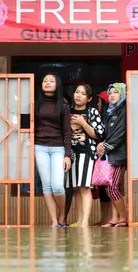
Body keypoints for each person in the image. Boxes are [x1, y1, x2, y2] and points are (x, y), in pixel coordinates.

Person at [34, 73, 72, 228]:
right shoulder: (35, 103)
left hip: (58, 148)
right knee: (46, 186)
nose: (47, 83)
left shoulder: (63, 105)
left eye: (51, 81)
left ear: (57, 85)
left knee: (57, 185)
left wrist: (68, 155)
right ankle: (53, 221)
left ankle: (62, 214)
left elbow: (67, 132)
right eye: (45, 81)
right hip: (39, 147)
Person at [66, 84, 104, 227]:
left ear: (89, 98)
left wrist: (83, 123)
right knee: (76, 188)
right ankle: (79, 219)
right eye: (77, 92)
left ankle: (85, 221)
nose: (78, 95)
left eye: (83, 93)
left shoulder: (92, 111)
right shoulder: (67, 111)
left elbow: (98, 134)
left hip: (86, 153)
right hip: (71, 154)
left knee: (84, 187)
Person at [97, 83, 129, 227]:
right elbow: (106, 134)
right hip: (111, 154)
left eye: (115, 92)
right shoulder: (111, 111)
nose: (112, 95)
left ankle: (123, 218)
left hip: (119, 155)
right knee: (109, 186)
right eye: (110, 93)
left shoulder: (124, 110)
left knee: (112, 187)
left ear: (122, 94)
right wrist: (101, 144)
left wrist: (105, 147)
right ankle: (115, 218)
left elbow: (120, 133)